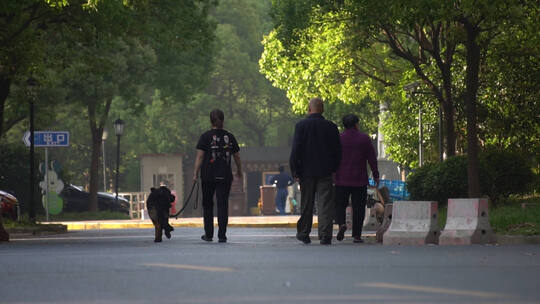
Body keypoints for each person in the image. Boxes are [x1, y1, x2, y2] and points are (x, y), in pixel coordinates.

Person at [290, 97, 341, 245]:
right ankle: (325, 234)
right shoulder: (331, 126)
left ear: (309, 109)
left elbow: (296, 149)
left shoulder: (301, 126)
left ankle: (304, 232)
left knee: (307, 203)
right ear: (322, 109)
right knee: (325, 204)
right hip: (325, 170)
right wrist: (334, 168)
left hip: (306, 171)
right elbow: (337, 151)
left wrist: (295, 170)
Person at [193, 109, 242, 243]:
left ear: (210, 121)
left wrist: (195, 173)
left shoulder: (205, 137)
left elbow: (200, 157)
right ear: (223, 120)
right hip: (224, 176)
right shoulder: (229, 137)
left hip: (208, 175)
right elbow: (236, 156)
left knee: (208, 205)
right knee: (222, 204)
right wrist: (239, 171)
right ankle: (222, 235)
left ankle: (208, 234)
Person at [334, 114, 379, 243]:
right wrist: (375, 175)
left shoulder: (339, 138)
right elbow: (372, 159)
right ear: (356, 124)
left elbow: (334, 157)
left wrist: (333, 174)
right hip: (359, 179)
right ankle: (357, 235)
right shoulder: (364, 139)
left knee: (340, 205)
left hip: (341, 178)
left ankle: (342, 224)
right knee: (358, 207)